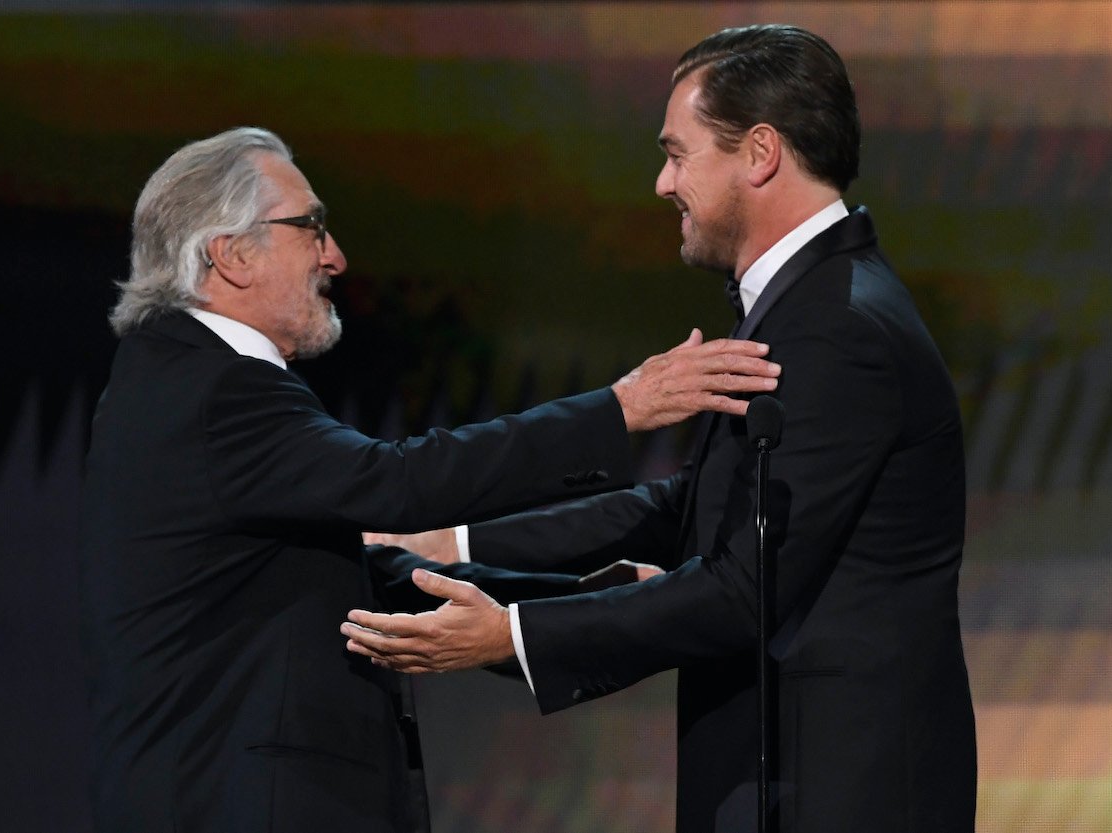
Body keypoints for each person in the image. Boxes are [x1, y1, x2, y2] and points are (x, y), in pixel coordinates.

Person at [344, 24, 977, 833]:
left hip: (837, 794)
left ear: (759, 153)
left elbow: (743, 589)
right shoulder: (807, 307)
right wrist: (456, 546)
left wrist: (509, 633)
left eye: (678, 154)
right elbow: (689, 510)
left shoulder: (839, 326)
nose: (660, 182)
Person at [78, 126, 782, 833]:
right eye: (310, 227)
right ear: (230, 254)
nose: (335, 256)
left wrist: (573, 608)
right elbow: (398, 481)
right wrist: (618, 409)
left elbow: (358, 583)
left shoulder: (180, 382)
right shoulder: (213, 390)